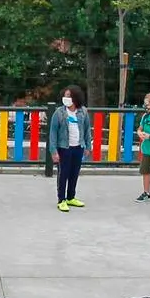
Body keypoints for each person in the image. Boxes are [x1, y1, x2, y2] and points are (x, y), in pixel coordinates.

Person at [48, 84, 89, 212]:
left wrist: (88, 145)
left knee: (74, 173)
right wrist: (53, 150)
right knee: (63, 174)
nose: (66, 98)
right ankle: (61, 200)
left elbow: (87, 130)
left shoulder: (83, 111)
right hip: (64, 148)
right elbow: (53, 132)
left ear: (75, 98)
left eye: (69, 96)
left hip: (78, 147)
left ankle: (71, 197)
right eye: (65, 96)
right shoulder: (59, 113)